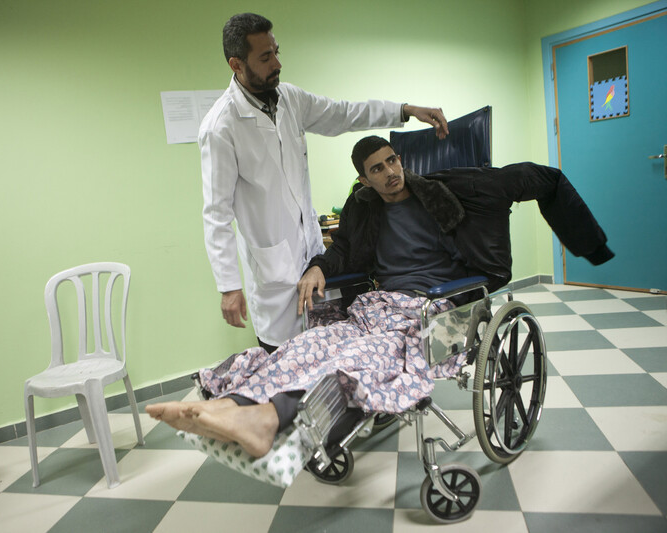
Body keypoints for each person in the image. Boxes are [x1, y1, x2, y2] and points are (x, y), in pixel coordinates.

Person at [151, 135, 613, 458]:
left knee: (360, 354)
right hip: (377, 305)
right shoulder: (363, 206)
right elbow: (347, 249)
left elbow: (541, 178)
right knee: (307, 344)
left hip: (435, 306)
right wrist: (317, 266)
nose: (392, 173)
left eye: (393, 161)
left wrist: (590, 245)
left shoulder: (450, 191)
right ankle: (232, 404)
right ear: (364, 179)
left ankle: (269, 416)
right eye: (378, 169)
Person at [200, 12, 450, 352]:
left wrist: (404, 110)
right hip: (274, 274)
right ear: (236, 64)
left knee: (328, 360)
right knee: (287, 368)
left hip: (313, 259)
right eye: (265, 56)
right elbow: (216, 214)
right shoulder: (221, 127)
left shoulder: (290, 99)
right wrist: (229, 286)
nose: (277, 62)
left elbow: (344, 113)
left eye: (276, 50)